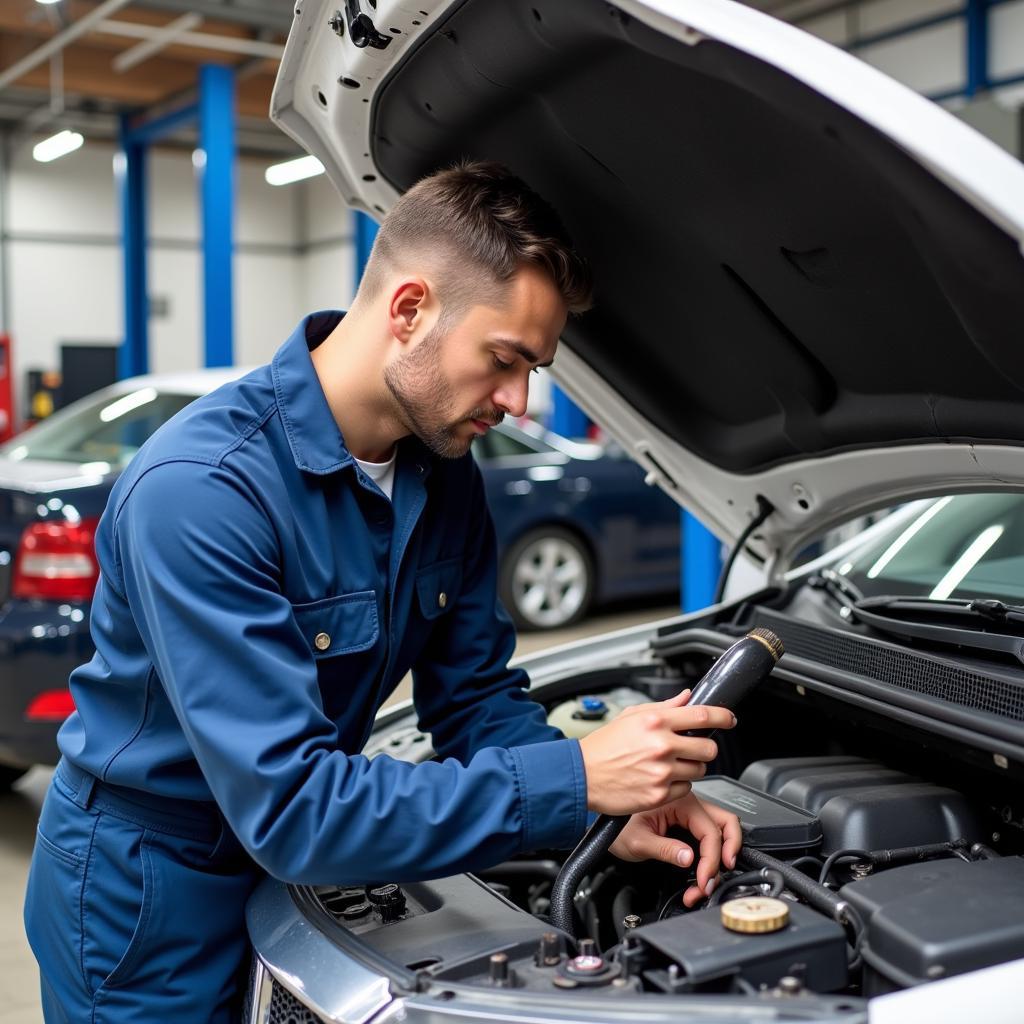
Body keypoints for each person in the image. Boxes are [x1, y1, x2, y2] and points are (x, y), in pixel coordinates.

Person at [24, 161, 740, 1022]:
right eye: (505, 360)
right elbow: (292, 806)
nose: (517, 401)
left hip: (285, 871)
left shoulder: (444, 475)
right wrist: (577, 776)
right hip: (146, 900)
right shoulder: (203, 491)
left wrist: (600, 811)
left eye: (533, 369)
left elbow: (475, 699)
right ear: (409, 310)